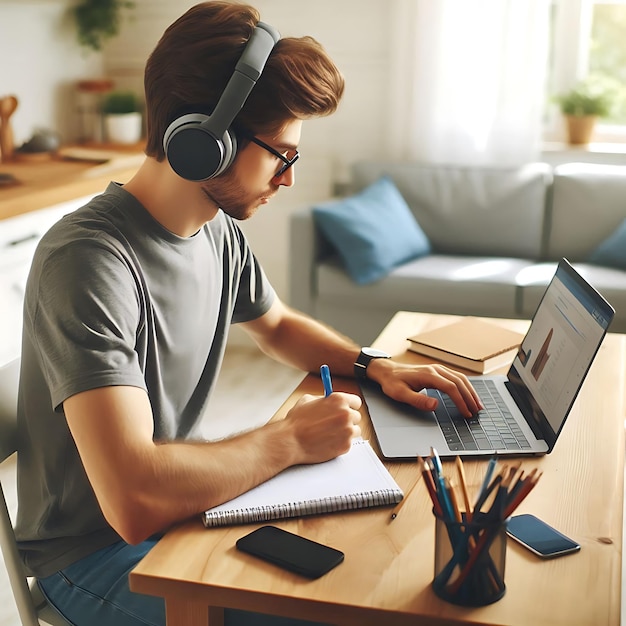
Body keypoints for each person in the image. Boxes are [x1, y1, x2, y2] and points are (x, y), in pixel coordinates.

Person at [15, 2, 482, 625]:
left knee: (376, 566)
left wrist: (374, 366)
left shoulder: (215, 231)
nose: (289, 179)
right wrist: (286, 440)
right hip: (95, 559)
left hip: (179, 511)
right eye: (280, 155)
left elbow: (279, 325)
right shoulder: (90, 261)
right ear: (203, 145)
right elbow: (133, 499)